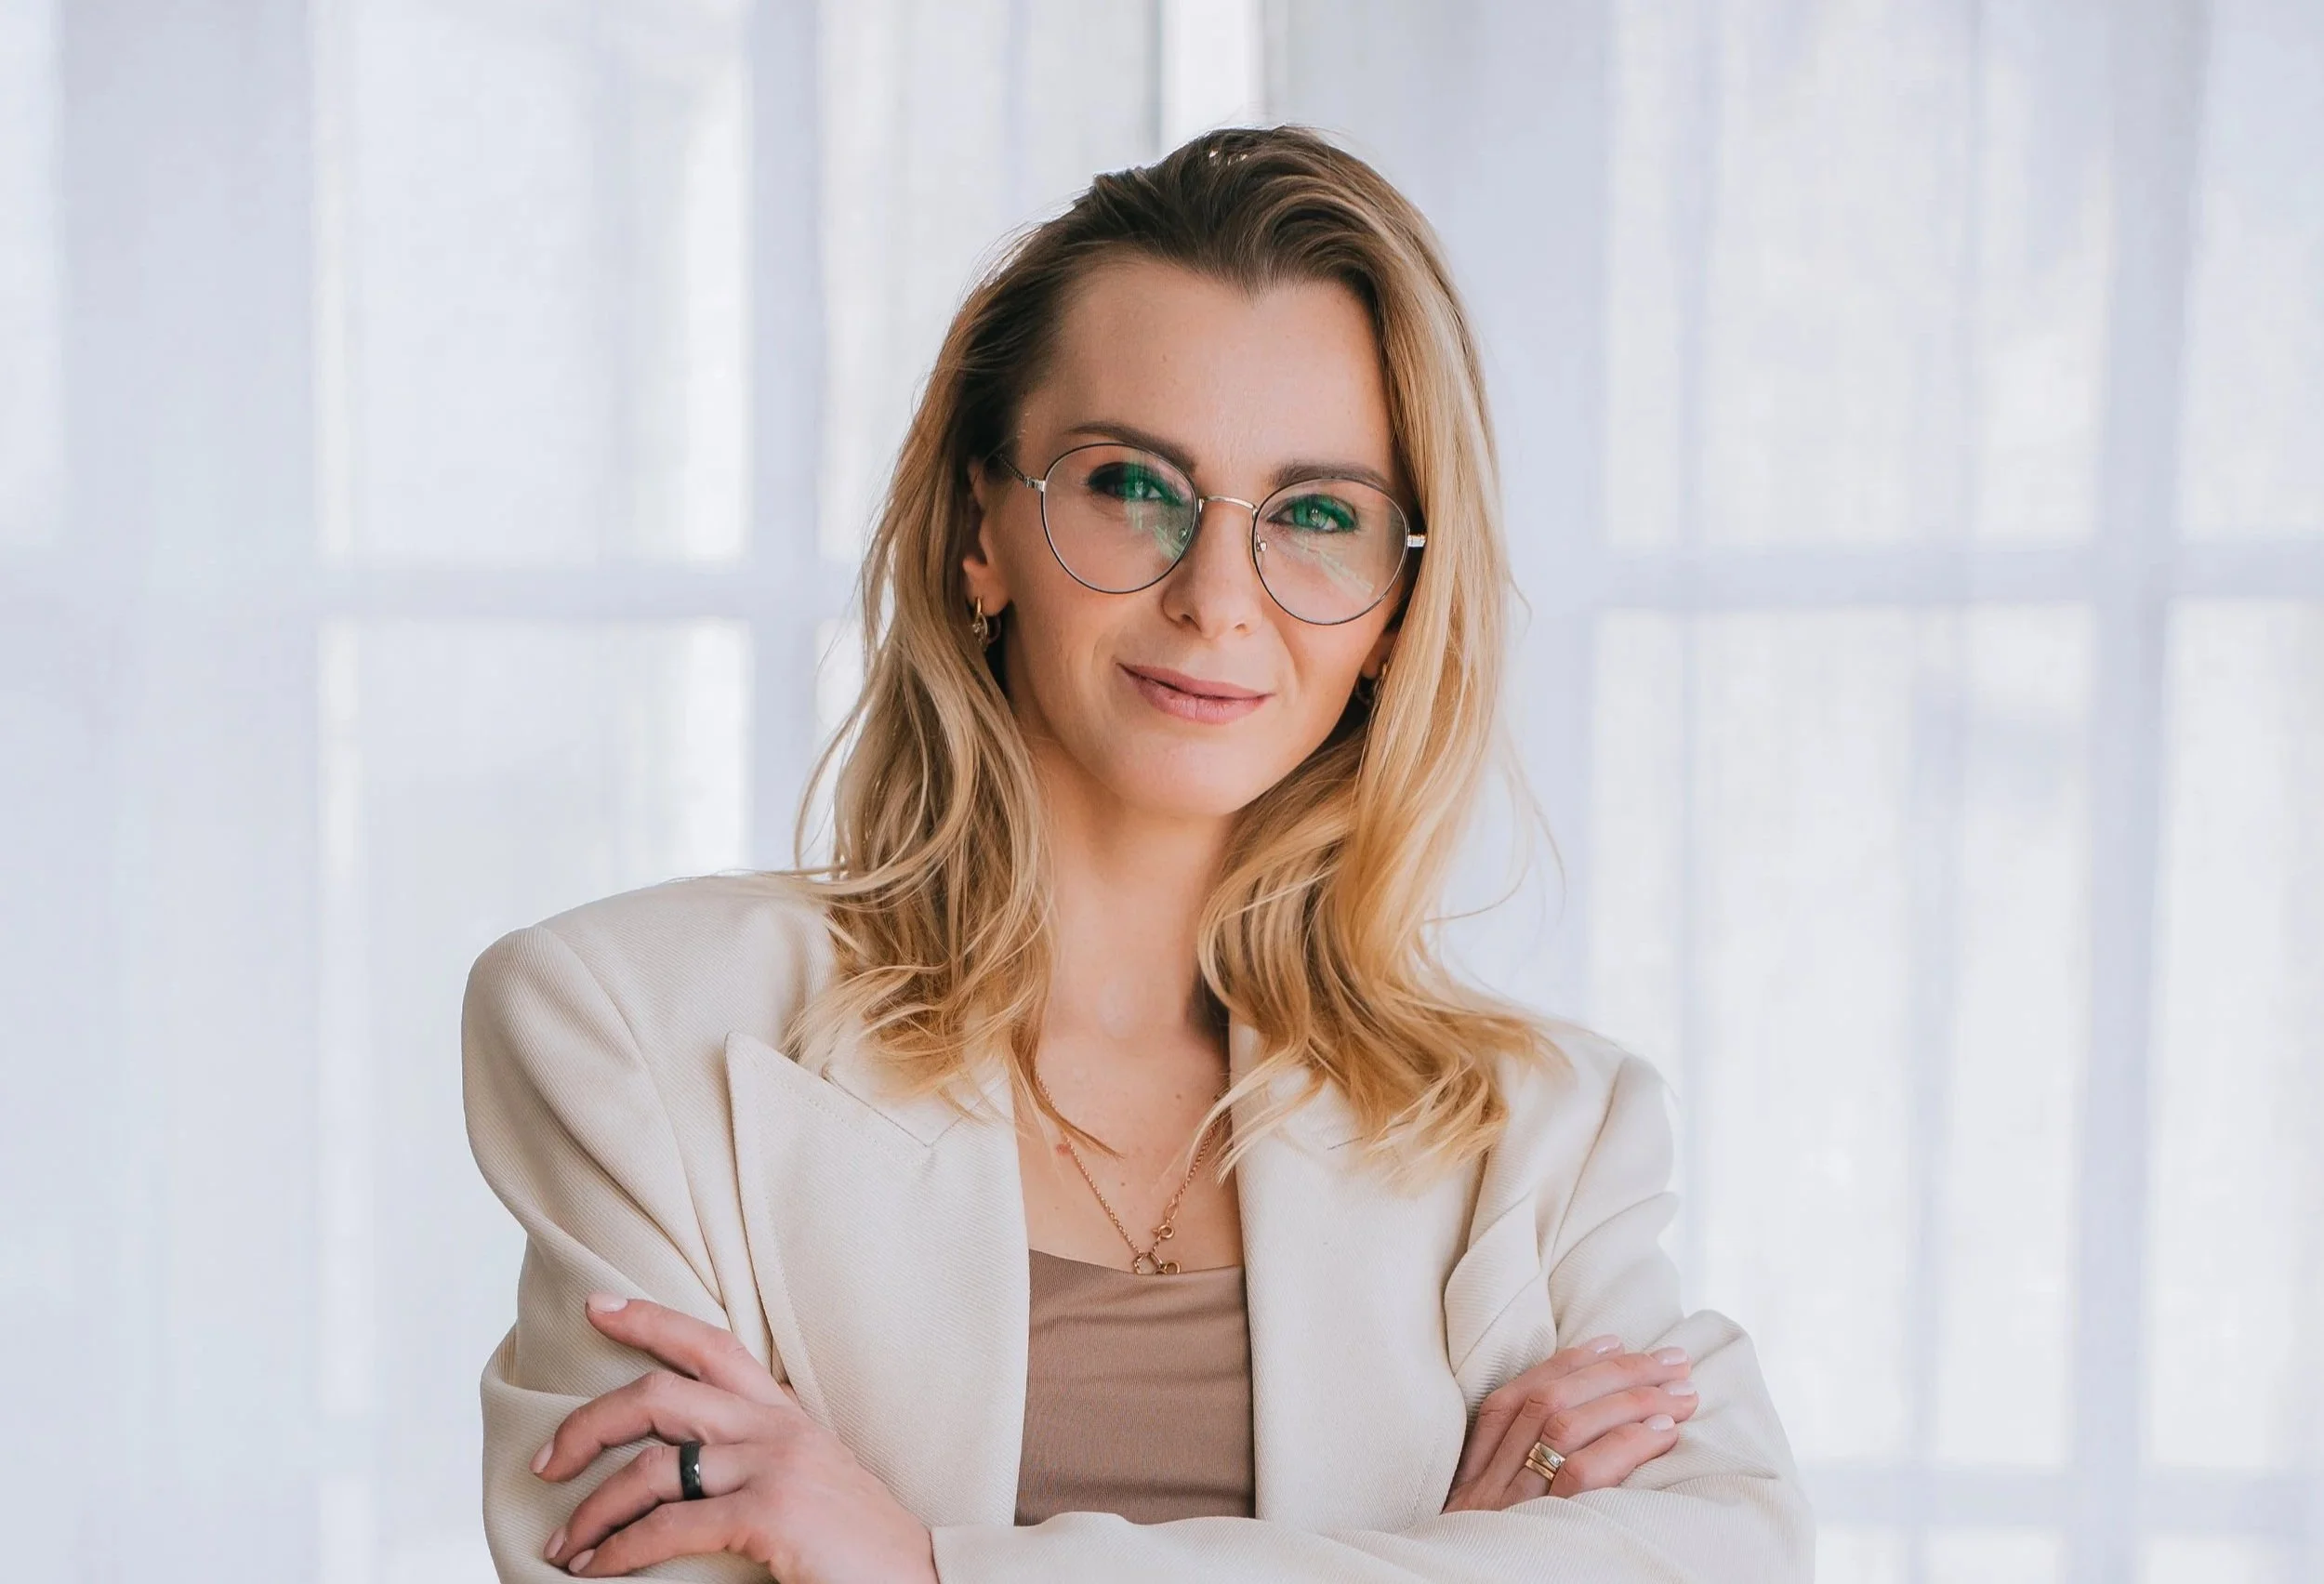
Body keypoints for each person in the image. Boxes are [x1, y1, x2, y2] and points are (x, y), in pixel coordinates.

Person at [462, 124, 1812, 1582]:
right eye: (1131, 486)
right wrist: (1446, 1557)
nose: (1219, 597)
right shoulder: (628, 1029)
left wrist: (925, 1566)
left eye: (1317, 516)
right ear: (981, 528)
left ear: (1397, 608)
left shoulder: (1548, 1135)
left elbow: (1728, 1553)